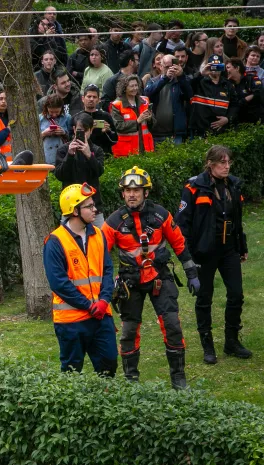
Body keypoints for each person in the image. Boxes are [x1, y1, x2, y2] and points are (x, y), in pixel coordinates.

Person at [102, 166, 200, 389]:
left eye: (137, 190)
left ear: (146, 192)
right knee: (128, 332)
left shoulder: (161, 215)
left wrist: (192, 273)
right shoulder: (113, 222)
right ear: (123, 193)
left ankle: (178, 379)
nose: (132, 194)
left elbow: (179, 244)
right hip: (130, 281)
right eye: (127, 190)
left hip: (159, 277)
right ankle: (131, 381)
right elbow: (100, 255)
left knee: (172, 325)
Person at [176, 145, 251, 364]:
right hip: (204, 251)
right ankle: (207, 346)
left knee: (236, 295)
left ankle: (231, 342)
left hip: (229, 250)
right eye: (222, 162)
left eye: (229, 162)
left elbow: (237, 221)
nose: (227, 167)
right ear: (210, 163)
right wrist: (188, 257)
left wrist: (242, 246)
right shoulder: (193, 187)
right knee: (204, 298)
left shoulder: (233, 185)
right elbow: (183, 224)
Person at [42, 183, 117, 377]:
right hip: (71, 321)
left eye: (93, 205)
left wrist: (103, 301)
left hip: (101, 316)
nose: (95, 209)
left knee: (109, 366)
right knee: (71, 373)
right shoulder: (55, 242)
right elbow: (59, 283)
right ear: (75, 211)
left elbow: (107, 270)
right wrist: (88, 306)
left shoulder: (98, 235)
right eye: (89, 206)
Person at [54, 113, 106, 227]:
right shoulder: (63, 150)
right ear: (74, 129)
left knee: (99, 241)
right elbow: (59, 175)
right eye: (79, 130)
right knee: (68, 242)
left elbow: (99, 172)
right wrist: (70, 155)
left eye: (86, 130)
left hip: (94, 207)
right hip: (70, 208)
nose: (83, 134)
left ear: (91, 130)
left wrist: (89, 155)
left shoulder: (97, 150)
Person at [144, 54, 192, 145]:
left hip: (175, 134)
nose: (170, 70)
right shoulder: (153, 81)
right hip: (155, 133)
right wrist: (165, 78)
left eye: (173, 67)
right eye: (167, 67)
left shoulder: (181, 81)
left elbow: (189, 95)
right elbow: (147, 94)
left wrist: (181, 76)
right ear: (161, 67)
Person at [190, 55, 239, 138]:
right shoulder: (199, 81)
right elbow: (189, 87)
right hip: (199, 130)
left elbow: (235, 105)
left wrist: (227, 118)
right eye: (213, 66)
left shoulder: (228, 85)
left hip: (220, 130)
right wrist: (201, 74)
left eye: (218, 66)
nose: (215, 68)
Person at [111, 74, 154, 157]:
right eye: (131, 86)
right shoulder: (117, 104)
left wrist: (150, 119)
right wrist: (137, 121)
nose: (135, 88)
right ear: (124, 88)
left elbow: (153, 124)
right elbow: (118, 126)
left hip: (145, 148)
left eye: (136, 85)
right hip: (127, 151)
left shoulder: (145, 100)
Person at [78, 84, 118, 156]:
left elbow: (115, 140)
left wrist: (108, 131)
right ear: (83, 99)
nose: (91, 99)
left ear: (99, 100)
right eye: (89, 96)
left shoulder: (106, 116)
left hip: (104, 156)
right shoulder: (77, 117)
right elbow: (71, 139)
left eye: (94, 97)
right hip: (82, 156)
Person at [226, 57, 263, 124]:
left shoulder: (250, 78)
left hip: (255, 120)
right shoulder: (227, 83)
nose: (226, 70)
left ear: (237, 68)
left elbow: (258, 92)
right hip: (238, 121)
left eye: (228, 67)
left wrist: (243, 100)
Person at [39, 94, 71, 165]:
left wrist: (63, 133)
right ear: (46, 108)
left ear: (61, 108)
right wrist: (44, 133)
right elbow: (34, 139)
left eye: (57, 112)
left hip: (62, 154)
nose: (54, 115)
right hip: (46, 154)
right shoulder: (40, 118)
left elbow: (72, 136)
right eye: (51, 112)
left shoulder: (67, 118)